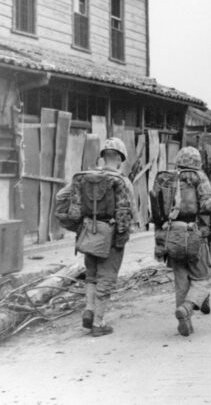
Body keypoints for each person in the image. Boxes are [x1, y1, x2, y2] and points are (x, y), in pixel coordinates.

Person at [66, 138, 133, 337]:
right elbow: (124, 213)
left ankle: (89, 308)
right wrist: (122, 236)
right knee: (107, 278)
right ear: (120, 158)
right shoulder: (121, 181)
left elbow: (73, 211)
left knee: (91, 274)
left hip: (88, 232)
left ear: (103, 156)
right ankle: (98, 322)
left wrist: (84, 228)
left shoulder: (84, 177)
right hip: (110, 235)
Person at [153, 146, 211, 336]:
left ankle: (185, 322)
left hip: (170, 234)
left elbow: (157, 213)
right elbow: (210, 206)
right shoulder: (199, 177)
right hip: (193, 233)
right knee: (203, 278)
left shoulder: (165, 178)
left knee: (181, 281)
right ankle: (187, 309)